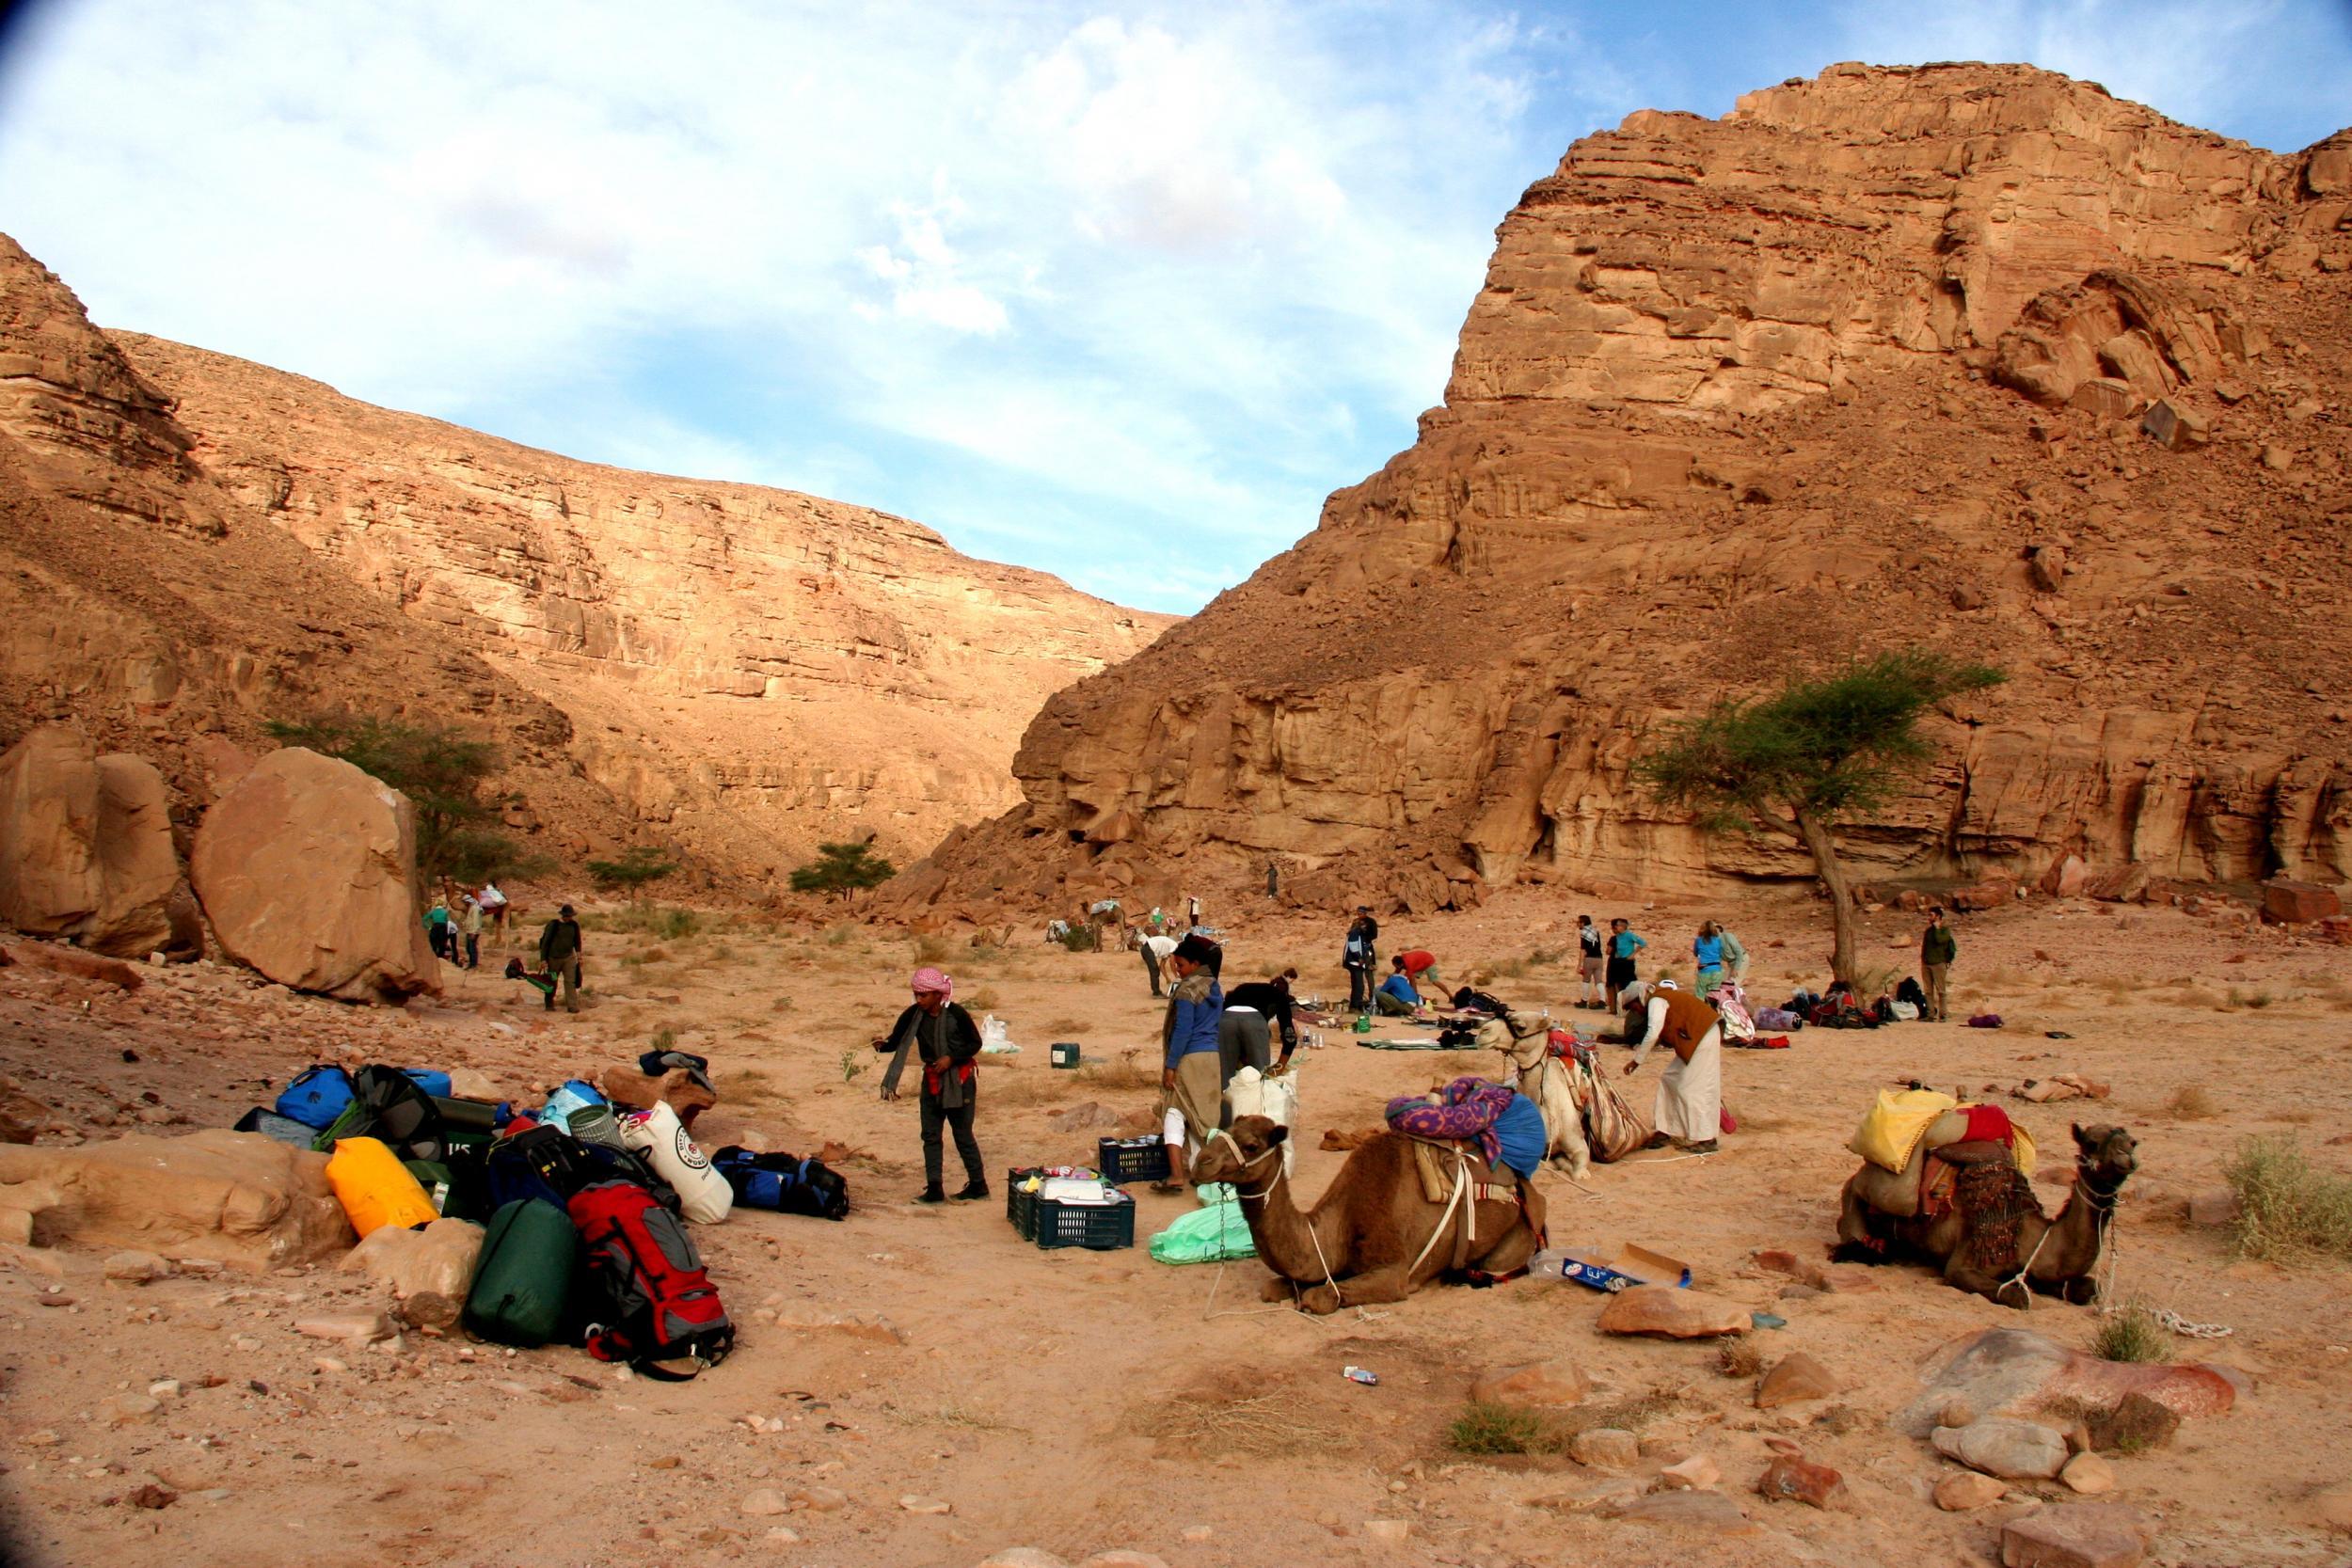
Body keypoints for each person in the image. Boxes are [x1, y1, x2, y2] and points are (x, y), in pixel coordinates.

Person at [876, 967, 986, 1204]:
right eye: (916, 994)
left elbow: (974, 1043)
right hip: (932, 1081)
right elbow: (896, 1041)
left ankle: (978, 1185)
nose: (919, 999)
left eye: (923, 995)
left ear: (937, 994)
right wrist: (881, 1045)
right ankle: (934, 1188)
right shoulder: (913, 1015)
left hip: (960, 1080)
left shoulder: (956, 1014)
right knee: (931, 1135)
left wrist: (951, 1058)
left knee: (963, 1135)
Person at [1156, 934, 1225, 1192]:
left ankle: (1176, 1175)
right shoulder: (1214, 986)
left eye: (1181, 965)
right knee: (1204, 1118)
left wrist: (1171, 1066)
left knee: (1175, 1111)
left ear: (1195, 964)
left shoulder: (1186, 991)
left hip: (1190, 1059)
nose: (1177, 970)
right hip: (1211, 1058)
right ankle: (1205, 1172)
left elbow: (1183, 1030)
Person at [1622, 978, 1722, 1153]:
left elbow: (1653, 1032)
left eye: (1633, 1007)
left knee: (1690, 1089)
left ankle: (1706, 1139)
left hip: (1703, 1036)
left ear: (1639, 999)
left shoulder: (1656, 1000)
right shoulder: (1659, 998)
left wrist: (1637, 1060)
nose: (1635, 1012)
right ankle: (1665, 1130)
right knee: (1670, 1078)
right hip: (1700, 1036)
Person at [1222, 971, 1298, 1083]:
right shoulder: (1280, 996)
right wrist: (1280, 1067)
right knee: (1259, 1076)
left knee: (1226, 1077)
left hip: (1226, 1019)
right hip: (1253, 1021)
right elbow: (1290, 1037)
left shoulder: (1240, 989)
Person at [537, 904, 583, 1013]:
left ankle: (572, 1006)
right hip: (553, 958)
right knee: (552, 982)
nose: (569, 918)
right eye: (567, 916)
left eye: (570, 916)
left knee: (570, 982)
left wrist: (579, 956)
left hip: (569, 957)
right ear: (563, 915)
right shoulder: (553, 925)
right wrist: (543, 959)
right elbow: (545, 943)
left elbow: (577, 941)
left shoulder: (574, 925)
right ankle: (549, 1004)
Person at [1920, 907, 1958, 1022]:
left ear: (1938, 916)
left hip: (1939, 964)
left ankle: (1943, 1014)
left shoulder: (1944, 930)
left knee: (1941, 991)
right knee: (1928, 991)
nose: (1929, 918)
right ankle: (1930, 1014)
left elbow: (1940, 940)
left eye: (1931, 915)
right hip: (1927, 963)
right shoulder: (1929, 931)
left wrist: (1937, 928)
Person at [1605, 918, 1646, 1013]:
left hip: (1627, 962)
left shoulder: (1629, 935)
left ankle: (1630, 1006)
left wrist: (1633, 954)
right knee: (1618, 984)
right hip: (1618, 962)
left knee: (1628, 984)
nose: (1615, 928)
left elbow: (1643, 943)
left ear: (1623, 926)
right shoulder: (1618, 936)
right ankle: (1619, 1007)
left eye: (1617, 926)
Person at [1342, 908, 1378, 1012]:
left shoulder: (1371, 923)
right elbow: (1353, 947)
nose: (1364, 927)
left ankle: (1370, 997)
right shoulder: (1355, 933)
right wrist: (1360, 958)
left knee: (1367, 976)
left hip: (1365, 952)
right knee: (1359, 985)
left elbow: (1374, 935)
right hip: (1355, 961)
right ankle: (1355, 1006)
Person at [1576, 914, 1605, 1008]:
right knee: (1599, 981)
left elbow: (1583, 950)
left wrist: (1579, 964)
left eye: (1579, 922)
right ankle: (1602, 1001)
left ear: (1583, 923)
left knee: (1586, 980)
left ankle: (1584, 1001)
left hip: (1589, 959)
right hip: (1599, 959)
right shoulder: (1595, 931)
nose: (1578, 924)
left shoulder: (1584, 933)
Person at [1139, 930, 1178, 998]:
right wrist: (1177, 977)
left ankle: (1156, 991)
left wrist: (1167, 978)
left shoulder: (1167, 951)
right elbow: (1172, 964)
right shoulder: (1175, 946)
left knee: (1155, 970)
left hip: (1146, 948)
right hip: (1148, 948)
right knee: (1154, 970)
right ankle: (1156, 993)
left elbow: (1162, 966)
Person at [1693, 922, 1726, 994]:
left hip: (1704, 970)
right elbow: (1721, 953)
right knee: (1714, 997)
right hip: (1717, 969)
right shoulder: (1718, 940)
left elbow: (1695, 953)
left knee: (1700, 994)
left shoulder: (1698, 940)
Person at [425, 896, 453, 961]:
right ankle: (441, 958)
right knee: (442, 943)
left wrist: (429, 927)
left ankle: (434, 957)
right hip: (443, 927)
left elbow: (424, 919)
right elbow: (448, 921)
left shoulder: (433, 912)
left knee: (433, 942)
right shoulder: (445, 912)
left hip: (435, 927)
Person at [459, 895, 483, 971]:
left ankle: (473, 964)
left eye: (465, 902)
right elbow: (470, 919)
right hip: (469, 931)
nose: (465, 903)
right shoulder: (472, 908)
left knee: (472, 948)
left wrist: (474, 932)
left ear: (468, 901)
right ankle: (472, 963)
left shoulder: (475, 908)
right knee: (468, 948)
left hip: (473, 932)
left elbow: (476, 921)